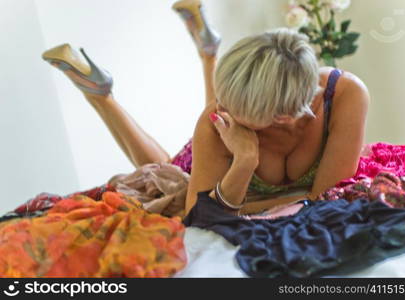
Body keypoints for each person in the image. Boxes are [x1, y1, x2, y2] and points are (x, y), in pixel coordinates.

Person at [41, 0, 370, 217]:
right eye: (222, 98)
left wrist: (243, 203)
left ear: (282, 117)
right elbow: (199, 214)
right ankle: (101, 95)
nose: (220, 109)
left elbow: (327, 197)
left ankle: (207, 51)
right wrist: (244, 161)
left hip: (257, 142)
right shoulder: (216, 120)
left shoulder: (346, 94)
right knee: (161, 171)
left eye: (235, 108)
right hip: (214, 159)